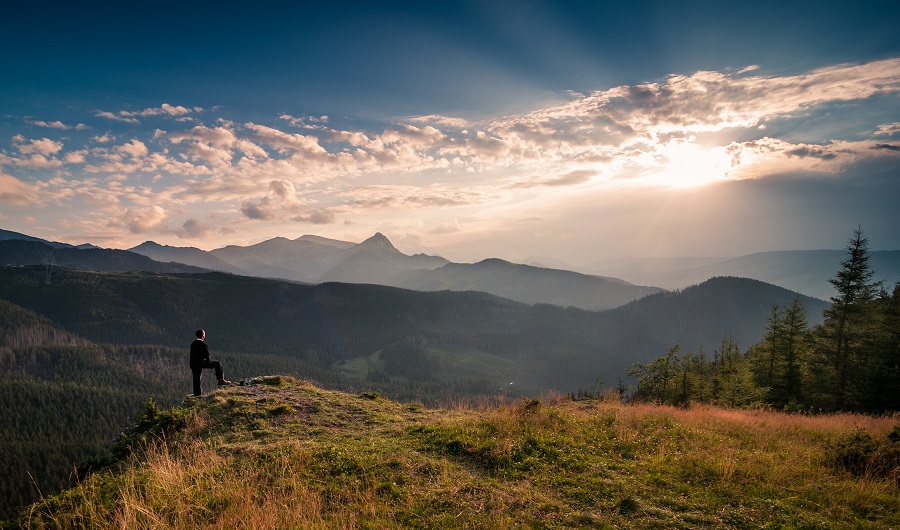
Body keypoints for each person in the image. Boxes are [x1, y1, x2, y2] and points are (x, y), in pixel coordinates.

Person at [189, 329, 232, 396]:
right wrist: (208, 361)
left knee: (196, 379)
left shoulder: (193, 344)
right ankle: (220, 380)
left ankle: (197, 394)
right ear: (203, 336)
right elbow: (207, 355)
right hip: (201, 362)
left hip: (193, 363)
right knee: (218, 364)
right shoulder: (203, 344)